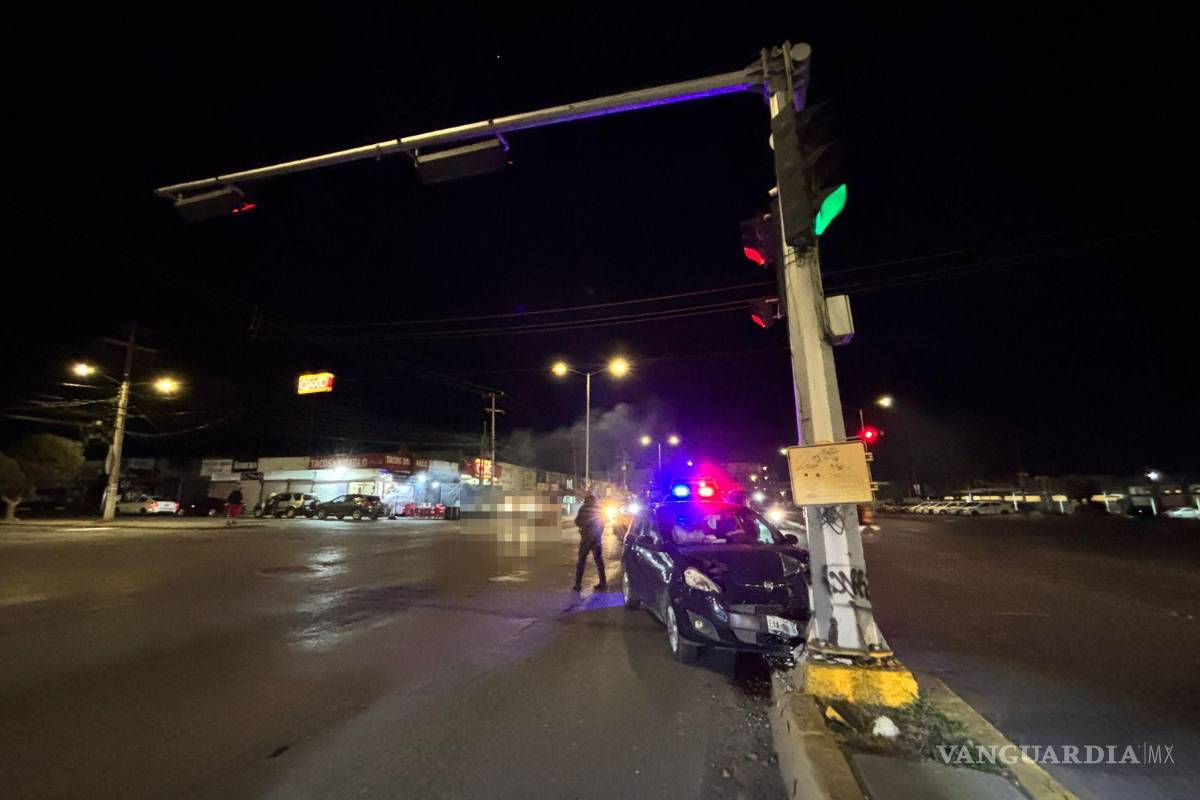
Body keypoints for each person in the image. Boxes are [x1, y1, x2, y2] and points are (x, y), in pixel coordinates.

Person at [572, 492, 607, 591]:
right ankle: (603, 582)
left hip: (586, 539)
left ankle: (578, 585)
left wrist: (584, 527)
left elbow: (577, 521)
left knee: (581, 561)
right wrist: (598, 533)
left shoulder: (583, 508)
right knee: (599, 561)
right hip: (596, 539)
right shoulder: (599, 509)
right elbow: (603, 523)